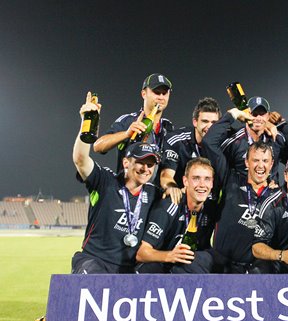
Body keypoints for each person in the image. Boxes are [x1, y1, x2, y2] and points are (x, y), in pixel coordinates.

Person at [72, 92, 161, 274]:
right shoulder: (105, 181)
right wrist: (87, 122)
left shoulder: (153, 194)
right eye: (141, 162)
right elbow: (81, 159)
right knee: (93, 284)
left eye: (150, 165)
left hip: (127, 269)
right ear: (126, 162)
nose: (146, 169)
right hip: (94, 262)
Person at [207, 139, 283, 274]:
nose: (260, 166)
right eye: (255, 160)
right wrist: (232, 116)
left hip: (254, 271)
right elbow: (209, 142)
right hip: (220, 266)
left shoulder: (278, 196)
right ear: (246, 162)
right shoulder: (230, 180)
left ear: (271, 164)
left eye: (265, 161)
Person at [136, 158, 218, 273]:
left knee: (207, 259)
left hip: (182, 268)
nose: (202, 185)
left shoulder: (211, 210)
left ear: (212, 183)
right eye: (196, 178)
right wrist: (170, 256)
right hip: (156, 269)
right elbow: (141, 252)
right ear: (185, 181)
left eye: (207, 179)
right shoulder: (169, 206)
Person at [93, 73, 175, 179]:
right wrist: (126, 134)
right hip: (126, 189)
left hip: (153, 192)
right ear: (143, 94)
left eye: (165, 93)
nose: (161, 97)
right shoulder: (129, 120)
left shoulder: (168, 127)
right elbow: (98, 146)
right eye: (156, 92)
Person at [203, 96, 283, 185]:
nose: (258, 118)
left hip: (268, 196)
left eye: (262, 114)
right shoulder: (233, 141)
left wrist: (278, 188)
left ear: (268, 116)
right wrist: (233, 114)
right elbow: (208, 141)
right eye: (254, 114)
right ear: (246, 113)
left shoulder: (277, 138)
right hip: (239, 196)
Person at [161, 97, 221, 203]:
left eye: (214, 123)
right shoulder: (177, 141)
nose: (210, 127)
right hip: (183, 199)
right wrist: (172, 188)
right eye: (205, 121)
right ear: (195, 122)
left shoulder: (225, 142)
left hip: (212, 201)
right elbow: (166, 175)